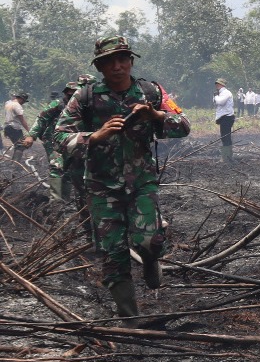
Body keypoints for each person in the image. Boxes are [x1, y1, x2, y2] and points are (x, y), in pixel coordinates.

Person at [55, 35, 191, 318]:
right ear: (100, 67)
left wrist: (154, 115)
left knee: (150, 240)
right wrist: (95, 136)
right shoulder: (86, 97)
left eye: (122, 59)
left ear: (131, 61)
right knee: (112, 255)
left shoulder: (151, 92)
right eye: (108, 62)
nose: (117, 66)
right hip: (102, 187)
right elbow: (59, 137)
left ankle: (151, 258)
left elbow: (184, 125)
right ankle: (130, 319)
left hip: (141, 181)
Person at [4, 90, 33, 164]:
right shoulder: (17, 106)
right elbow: (22, 120)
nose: (23, 102)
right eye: (24, 100)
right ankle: (15, 164)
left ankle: (13, 163)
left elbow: (7, 117)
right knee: (20, 146)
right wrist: (29, 131)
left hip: (7, 127)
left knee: (18, 146)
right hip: (14, 128)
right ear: (21, 98)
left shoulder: (8, 103)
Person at [213, 79, 235, 162]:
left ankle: (226, 157)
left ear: (222, 85)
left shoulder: (226, 93)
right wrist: (216, 96)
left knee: (225, 137)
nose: (216, 85)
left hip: (227, 117)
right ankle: (227, 157)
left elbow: (220, 102)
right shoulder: (221, 93)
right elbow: (215, 103)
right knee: (225, 137)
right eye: (216, 83)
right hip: (224, 117)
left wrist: (216, 96)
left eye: (218, 84)